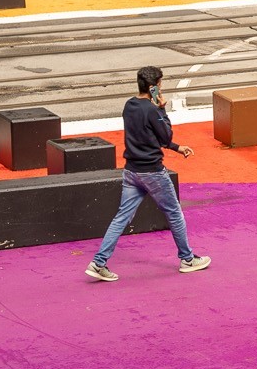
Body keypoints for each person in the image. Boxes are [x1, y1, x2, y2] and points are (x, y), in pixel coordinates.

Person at [86, 66, 210, 281]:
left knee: (121, 217)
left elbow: (146, 134)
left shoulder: (129, 105)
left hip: (131, 171)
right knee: (174, 214)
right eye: (161, 84)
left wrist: (177, 147)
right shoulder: (153, 110)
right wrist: (162, 110)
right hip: (152, 172)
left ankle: (99, 262)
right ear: (154, 87)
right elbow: (164, 135)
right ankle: (188, 259)